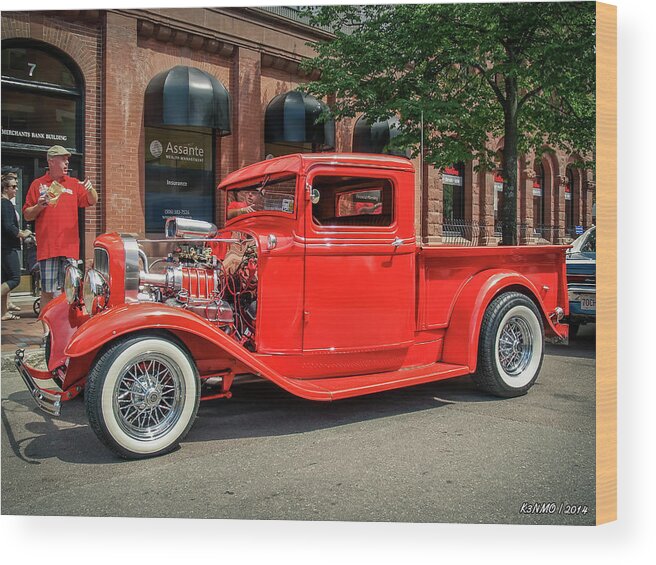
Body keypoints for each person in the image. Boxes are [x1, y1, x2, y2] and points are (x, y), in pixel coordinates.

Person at [23, 145, 98, 322]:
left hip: (70, 248)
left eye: (67, 159)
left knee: (70, 292)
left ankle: (68, 328)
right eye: (63, 159)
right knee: (47, 292)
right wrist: (39, 206)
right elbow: (27, 214)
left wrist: (90, 188)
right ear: (51, 161)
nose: (67, 162)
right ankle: (47, 333)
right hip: (48, 247)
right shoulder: (38, 184)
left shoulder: (73, 183)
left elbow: (92, 200)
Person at [2, 172, 32, 321]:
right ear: (5, 188)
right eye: (13, 186)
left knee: (4, 278)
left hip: (5, 247)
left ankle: (3, 313)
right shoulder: (5, 203)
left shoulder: (5, 203)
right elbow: (8, 226)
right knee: (15, 278)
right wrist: (23, 234)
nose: (16, 189)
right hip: (8, 247)